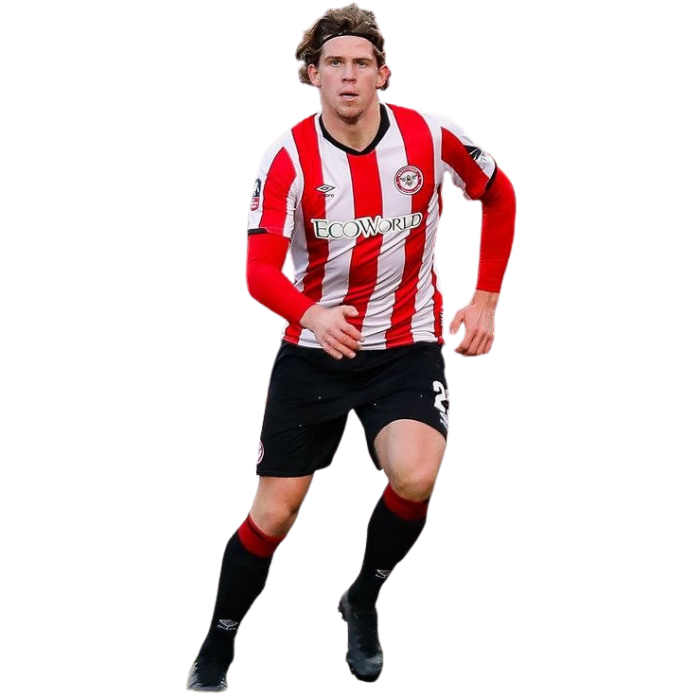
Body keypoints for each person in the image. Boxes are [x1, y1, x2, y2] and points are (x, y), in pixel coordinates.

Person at [186, 2, 516, 691]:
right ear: (311, 75)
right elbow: (257, 273)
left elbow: (499, 193)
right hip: (315, 353)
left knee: (417, 476)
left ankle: (363, 597)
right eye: (333, 62)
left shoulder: (433, 135)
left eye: (362, 63)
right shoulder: (285, 157)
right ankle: (221, 635)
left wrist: (485, 297)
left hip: (406, 345)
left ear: (383, 74)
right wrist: (311, 314)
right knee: (274, 515)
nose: (348, 75)